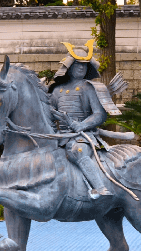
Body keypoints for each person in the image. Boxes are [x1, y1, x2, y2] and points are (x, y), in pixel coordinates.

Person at [50, 40, 119, 199]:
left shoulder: (89, 87)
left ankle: (100, 188)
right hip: (59, 137)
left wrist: (80, 125)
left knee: (78, 152)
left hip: (83, 137)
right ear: (69, 66)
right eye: (77, 64)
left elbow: (99, 115)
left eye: (84, 65)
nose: (81, 67)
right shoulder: (57, 90)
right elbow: (49, 113)